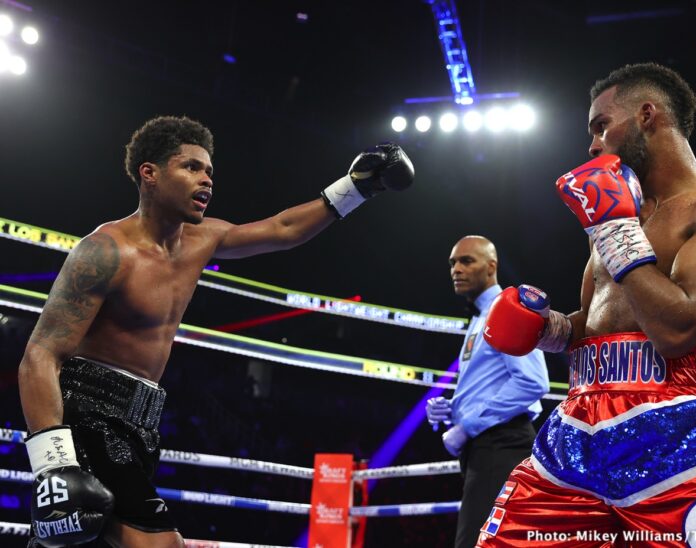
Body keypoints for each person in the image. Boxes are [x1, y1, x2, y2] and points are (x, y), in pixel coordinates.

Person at [17, 115, 414, 548]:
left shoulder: (203, 239)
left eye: (209, 171)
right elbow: (40, 355)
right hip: (88, 414)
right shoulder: (106, 250)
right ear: (149, 174)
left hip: (142, 422)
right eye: (191, 167)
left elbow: (283, 230)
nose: (206, 179)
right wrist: (54, 467)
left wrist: (357, 186)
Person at [475, 62, 696, 545]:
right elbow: (594, 325)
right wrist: (547, 328)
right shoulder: (618, 217)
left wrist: (614, 230)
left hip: (679, 425)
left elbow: (676, 332)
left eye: (601, 125)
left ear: (648, 116)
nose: (592, 144)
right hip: (579, 421)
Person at [425, 235, 549, 548]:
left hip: (501, 446)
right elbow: (488, 384)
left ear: (491, 266)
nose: (456, 269)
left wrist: (467, 426)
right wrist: (453, 409)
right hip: (487, 448)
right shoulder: (481, 317)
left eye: (467, 261)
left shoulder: (508, 309)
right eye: (453, 262)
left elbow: (533, 382)